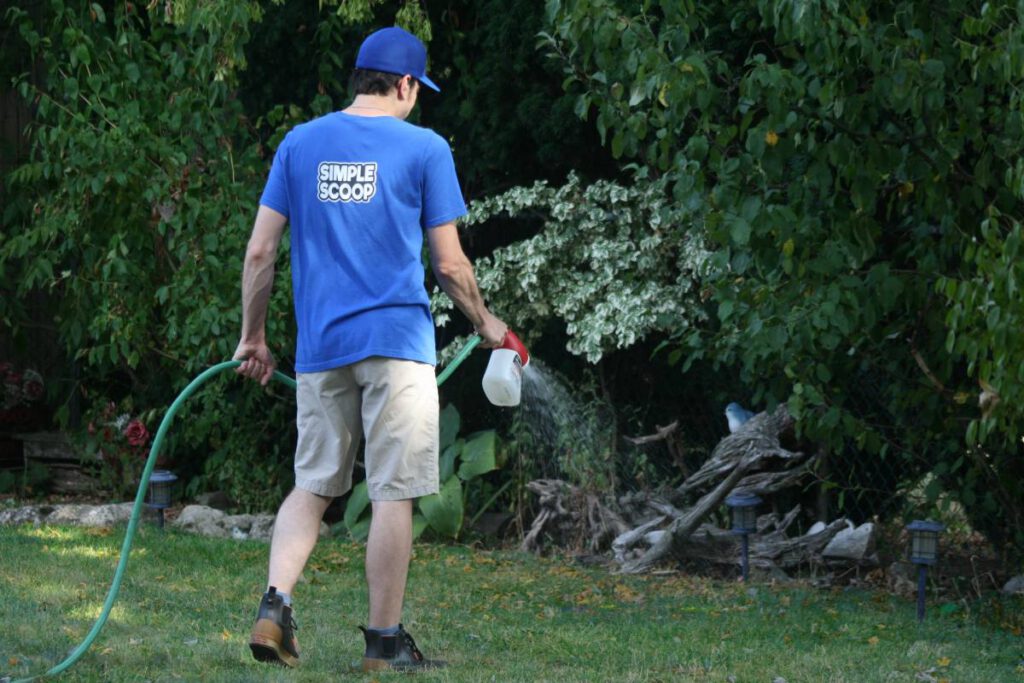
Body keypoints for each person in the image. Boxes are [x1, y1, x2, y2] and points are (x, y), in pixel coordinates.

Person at [232, 25, 507, 672]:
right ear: (406, 84)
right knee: (393, 491)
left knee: (313, 482)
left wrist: (254, 335)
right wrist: (485, 320)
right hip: (396, 345)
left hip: (324, 346)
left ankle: (275, 605)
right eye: (419, 89)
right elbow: (450, 264)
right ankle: (384, 642)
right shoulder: (424, 148)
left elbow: (259, 251)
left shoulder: (300, 145)